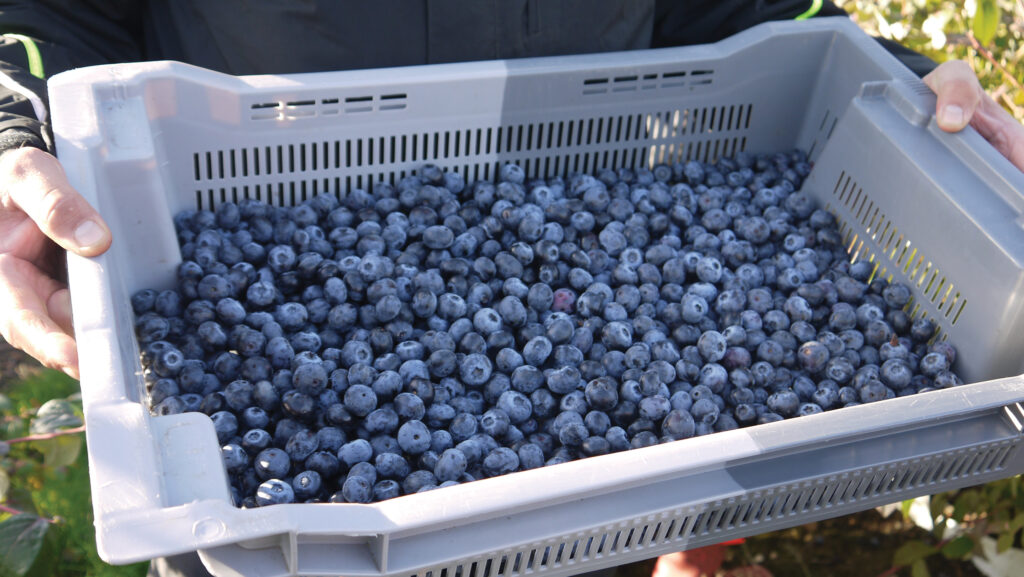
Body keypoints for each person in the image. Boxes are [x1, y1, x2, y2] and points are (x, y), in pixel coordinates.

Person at [0, 2, 1020, 576]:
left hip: (580, 514)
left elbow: (752, 16)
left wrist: (889, 76)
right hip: (285, 548)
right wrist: (15, 117)